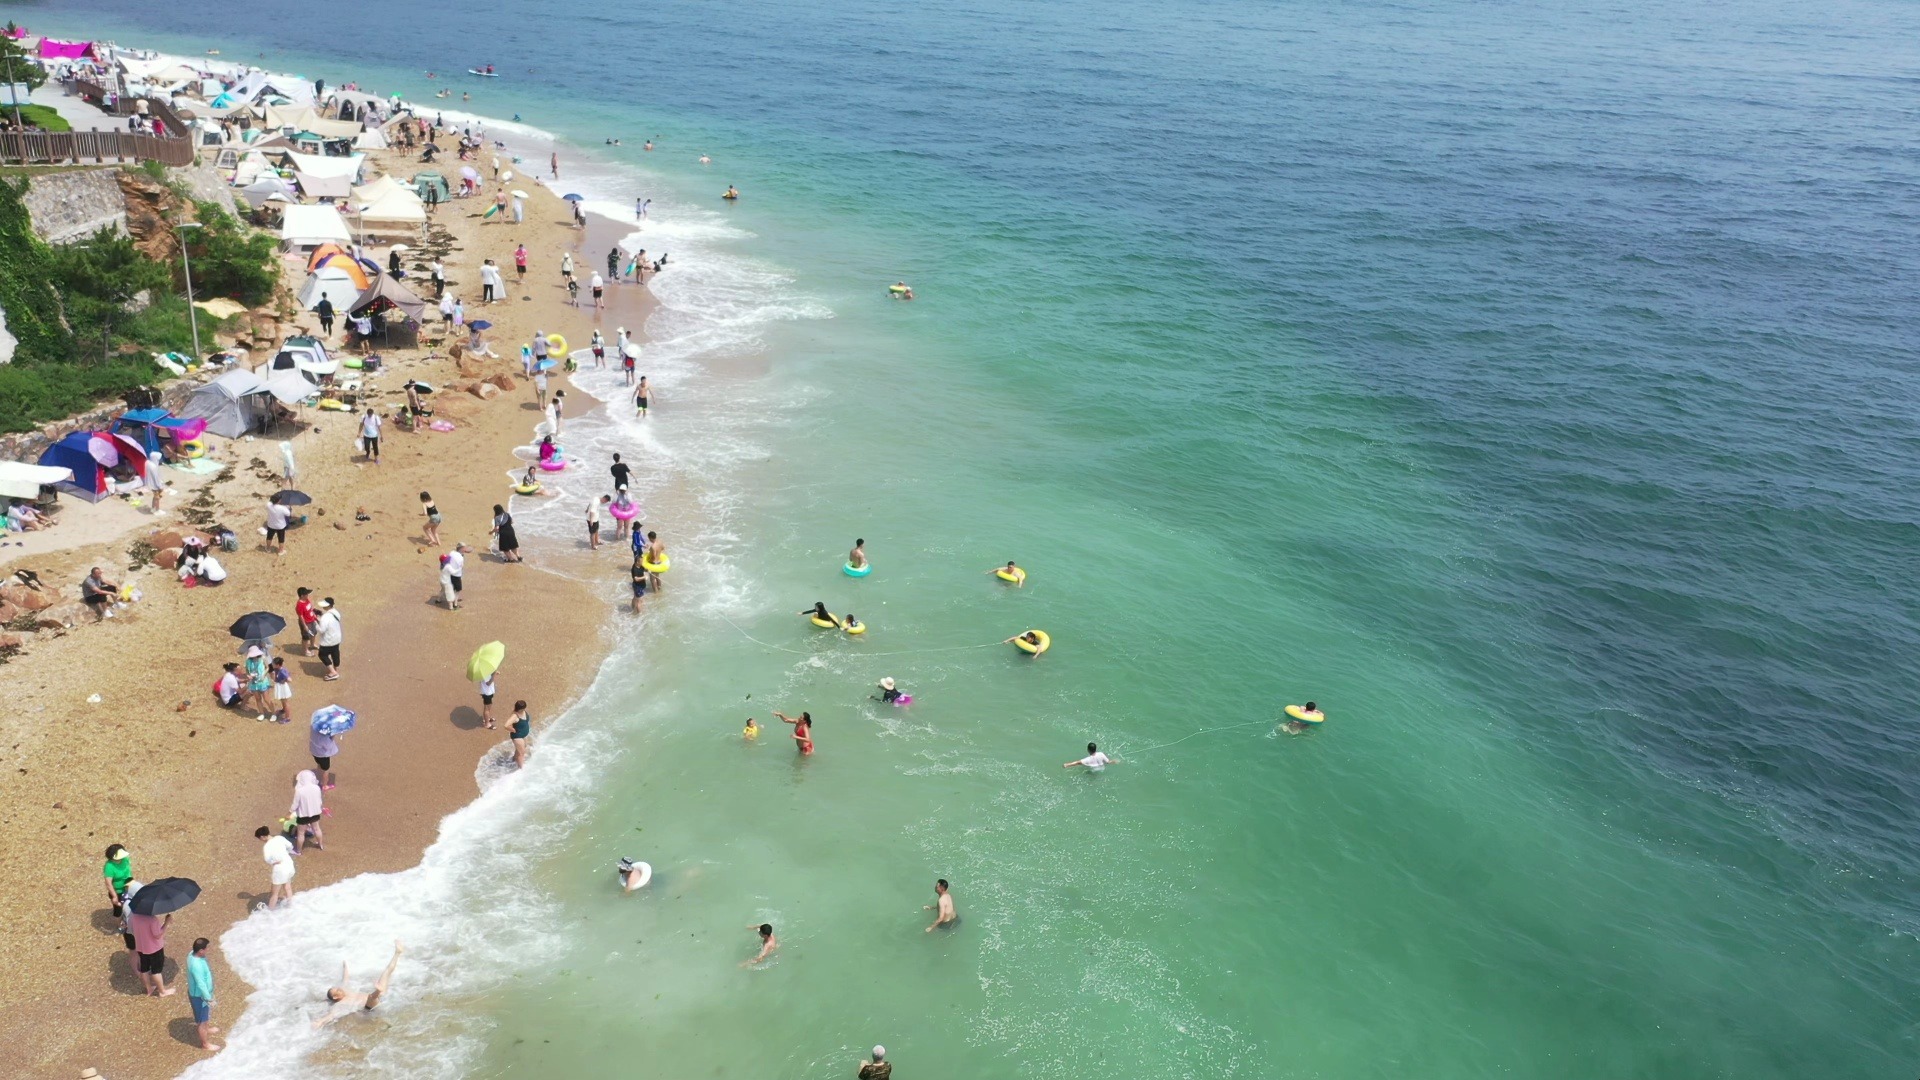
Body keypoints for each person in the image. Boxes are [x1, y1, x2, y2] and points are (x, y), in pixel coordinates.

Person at [314, 941, 405, 1029]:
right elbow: (331, 1016)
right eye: (337, 991)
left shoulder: (345, 988)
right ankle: (377, 990)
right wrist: (320, 1022)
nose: (339, 989)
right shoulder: (339, 1005)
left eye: (337, 988)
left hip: (379, 997)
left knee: (386, 972)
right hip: (370, 1007)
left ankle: (397, 953)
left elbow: (345, 977)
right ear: (335, 997)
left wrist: (345, 966)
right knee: (371, 997)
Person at [128, 904, 173, 996]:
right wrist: (166, 922)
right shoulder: (152, 920)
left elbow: (132, 929)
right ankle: (162, 991)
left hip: (141, 946)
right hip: (154, 948)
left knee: (144, 968)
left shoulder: (135, 917)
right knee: (156, 971)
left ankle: (149, 988)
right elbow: (158, 934)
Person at [187, 937, 220, 1051]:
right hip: (199, 996)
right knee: (202, 1021)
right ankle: (205, 1044)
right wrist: (209, 999)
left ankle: (207, 1028)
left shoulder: (192, 954)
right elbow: (200, 984)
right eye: (206, 949)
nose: (207, 950)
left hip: (199, 994)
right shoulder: (196, 965)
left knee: (204, 1017)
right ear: (201, 951)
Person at [258, 825, 296, 909]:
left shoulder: (267, 846)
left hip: (280, 869)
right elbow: (290, 846)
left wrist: (274, 862)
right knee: (287, 887)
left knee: (274, 894)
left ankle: (270, 913)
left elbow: (267, 859)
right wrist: (286, 852)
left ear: (262, 837)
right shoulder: (279, 838)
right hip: (289, 864)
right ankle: (291, 907)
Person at [291, 770, 325, 853]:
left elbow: (295, 804)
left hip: (303, 816)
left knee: (301, 834)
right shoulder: (316, 788)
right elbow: (319, 800)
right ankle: (320, 845)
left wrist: (289, 813)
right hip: (315, 814)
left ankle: (298, 851)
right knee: (317, 829)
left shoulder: (299, 791)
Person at [314, 598, 343, 681]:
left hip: (328, 640)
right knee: (335, 653)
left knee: (322, 654)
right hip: (337, 638)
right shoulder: (336, 612)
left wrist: (316, 623)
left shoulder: (325, 617)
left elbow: (321, 630)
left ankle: (333, 672)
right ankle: (335, 669)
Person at [102, 844, 132, 916]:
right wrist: (114, 896)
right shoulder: (109, 866)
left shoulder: (125, 859)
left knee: (130, 905)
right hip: (118, 891)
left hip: (128, 887)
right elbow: (108, 883)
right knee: (118, 910)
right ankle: (119, 925)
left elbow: (128, 873)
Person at [244, 645, 271, 721]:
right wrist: (248, 675)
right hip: (253, 682)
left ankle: (273, 712)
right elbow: (246, 670)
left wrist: (263, 674)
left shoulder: (263, 658)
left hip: (262, 682)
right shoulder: (248, 661)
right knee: (258, 698)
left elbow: (267, 667)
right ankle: (261, 713)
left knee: (266, 698)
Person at [310, 723, 340, 789]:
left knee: (319, 764)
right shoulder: (324, 739)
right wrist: (333, 736)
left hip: (315, 752)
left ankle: (318, 778)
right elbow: (329, 746)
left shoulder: (313, 728)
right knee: (326, 770)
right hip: (323, 755)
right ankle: (324, 785)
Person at [441, 542, 469, 610]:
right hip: (456, 575)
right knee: (458, 590)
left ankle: (439, 599)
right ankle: (455, 604)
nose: (466, 549)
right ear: (462, 549)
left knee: (449, 588)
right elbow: (461, 566)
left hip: (449, 574)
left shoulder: (451, 553)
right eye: (465, 548)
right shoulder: (460, 558)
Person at [508, 700, 533, 768]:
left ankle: (513, 759)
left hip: (523, 734)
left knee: (522, 748)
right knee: (521, 753)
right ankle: (521, 769)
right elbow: (506, 725)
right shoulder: (515, 716)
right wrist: (513, 730)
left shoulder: (523, 711)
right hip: (517, 736)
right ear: (521, 708)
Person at [269, 656, 293, 723]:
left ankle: (287, 718)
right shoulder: (278, 669)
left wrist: (284, 680)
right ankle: (283, 710)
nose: (272, 665)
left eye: (273, 664)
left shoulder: (282, 671)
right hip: (280, 686)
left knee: (285, 702)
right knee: (282, 700)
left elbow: (290, 679)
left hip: (282, 687)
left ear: (278, 665)